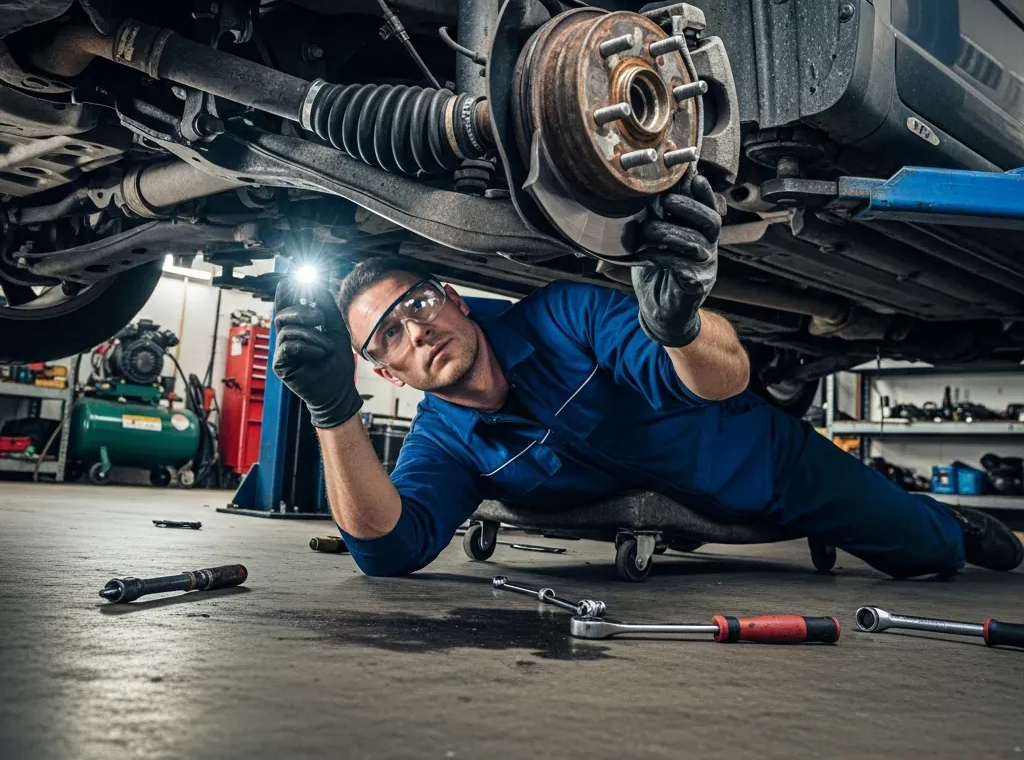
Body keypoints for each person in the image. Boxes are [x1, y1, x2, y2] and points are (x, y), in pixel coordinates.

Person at [272, 176, 1023, 578]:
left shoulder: (562, 316)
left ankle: (950, 524)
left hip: (763, 465)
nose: (418, 329)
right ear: (386, 371)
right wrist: (333, 412)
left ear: (454, 298)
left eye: (419, 302)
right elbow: (388, 551)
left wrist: (683, 326)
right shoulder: (449, 441)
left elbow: (719, 381)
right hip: (662, 503)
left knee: (922, 556)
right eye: (390, 334)